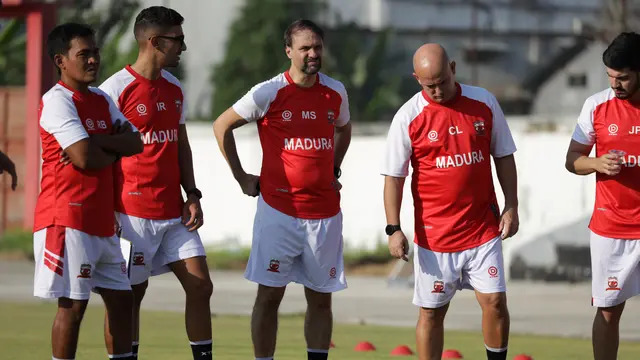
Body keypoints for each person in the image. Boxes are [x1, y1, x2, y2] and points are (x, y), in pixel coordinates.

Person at [213, 19, 351, 360]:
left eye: (317, 47)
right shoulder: (268, 92)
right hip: (279, 212)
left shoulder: (335, 92)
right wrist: (241, 176)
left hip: (325, 215)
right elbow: (221, 125)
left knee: (320, 298)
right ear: (288, 51)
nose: (312, 54)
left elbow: (344, 130)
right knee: (269, 296)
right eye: (304, 48)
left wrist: (333, 167)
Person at [381, 44, 518, 360]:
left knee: (495, 302)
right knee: (431, 314)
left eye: (442, 81)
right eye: (429, 85)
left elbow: (504, 156)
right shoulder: (408, 116)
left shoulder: (483, 102)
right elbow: (393, 177)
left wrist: (511, 205)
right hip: (435, 238)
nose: (438, 90)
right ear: (417, 78)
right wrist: (393, 228)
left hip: (483, 229)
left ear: (453, 68)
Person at [99, 6, 212, 360]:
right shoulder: (113, 91)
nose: (183, 46)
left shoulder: (175, 88)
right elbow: (98, 156)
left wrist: (191, 194)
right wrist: (105, 212)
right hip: (131, 215)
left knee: (201, 286)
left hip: (174, 214)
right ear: (154, 42)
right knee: (128, 298)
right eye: (177, 40)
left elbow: (180, 146)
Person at [33, 23, 143, 360]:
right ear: (61, 60)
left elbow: (136, 142)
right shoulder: (56, 101)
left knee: (123, 302)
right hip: (67, 217)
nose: (94, 59)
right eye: (84, 54)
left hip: (100, 219)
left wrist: (95, 141)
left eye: (95, 52)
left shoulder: (101, 99)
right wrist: (108, 147)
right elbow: (83, 159)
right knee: (73, 306)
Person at [565, 32, 640, 360]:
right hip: (612, 228)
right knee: (609, 312)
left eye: (623, 77)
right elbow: (572, 160)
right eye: (611, 77)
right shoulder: (595, 105)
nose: (616, 85)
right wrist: (597, 162)